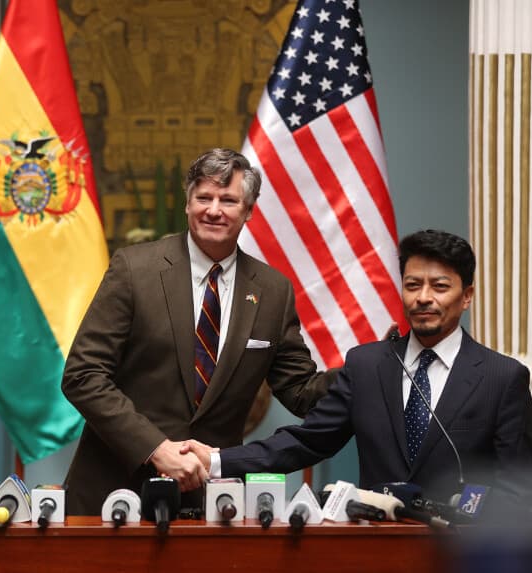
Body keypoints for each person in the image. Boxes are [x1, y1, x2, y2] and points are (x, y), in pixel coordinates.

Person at [184, 230, 532, 520]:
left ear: (467, 296)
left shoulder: (502, 378)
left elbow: (516, 492)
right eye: (413, 285)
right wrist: (215, 460)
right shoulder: (367, 366)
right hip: (374, 546)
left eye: (440, 287)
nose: (423, 298)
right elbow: (305, 441)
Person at [61, 148, 335, 515]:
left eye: (228, 200)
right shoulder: (134, 269)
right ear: (188, 204)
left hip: (210, 502)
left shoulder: (273, 291)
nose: (214, 210)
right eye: (203, 197)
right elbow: (82, 375)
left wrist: (371, 366)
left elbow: (300, 390)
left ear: (249, 210)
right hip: (114, 493)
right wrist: (156, 448)